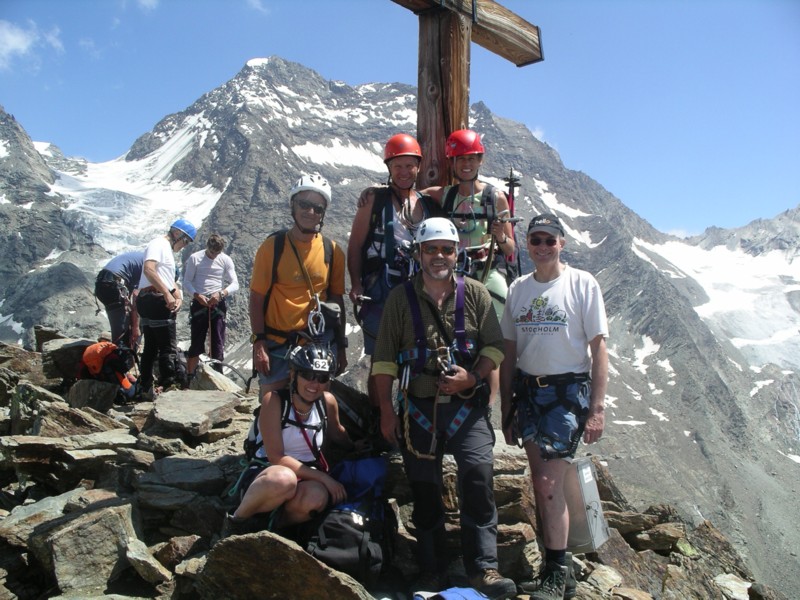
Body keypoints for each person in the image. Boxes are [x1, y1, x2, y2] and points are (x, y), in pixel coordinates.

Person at [371, 217, 516, 599]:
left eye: (446, 249)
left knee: (478, 477)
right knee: (425, 489)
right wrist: (386, 411)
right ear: (419, 253)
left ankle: (483, 569)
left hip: (467, 408)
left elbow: (494, 346)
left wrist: (474, 377)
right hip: (417, 409)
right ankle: (431, 570)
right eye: (431, 249)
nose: (439, 256)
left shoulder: (477, 294)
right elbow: (383, 360)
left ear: (457, 254)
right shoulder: (400, 299)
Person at [499, 213, 609, 600]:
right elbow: (509, 351)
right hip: (528, 393)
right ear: (527, 245)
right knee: (542, 481)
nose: (543, 246)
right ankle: (561, 572)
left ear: (562, 243)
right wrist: (506, 407)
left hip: (567, 394)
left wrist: (597, 409)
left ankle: (556, 574)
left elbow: (599, 349)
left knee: (547, 484)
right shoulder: (518, 289)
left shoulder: (582, 284)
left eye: (550, 240)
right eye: (535, 240)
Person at [347, 133, 442, 403]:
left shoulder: (427, 203)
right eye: (397, 165)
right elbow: (355, 245)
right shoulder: (374, 201)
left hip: (418, 291)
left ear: (419, 167)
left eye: (409, 165)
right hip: (381, 290)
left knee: (416, 354)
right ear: (389, 167)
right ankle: (379, 418)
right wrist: (356, 283)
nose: (404, 172)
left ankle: (410, 416)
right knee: (381, 359)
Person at [223, 341, 352, 536]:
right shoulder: (275, 401)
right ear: (293, 375)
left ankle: (270, 529)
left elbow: (337, 432)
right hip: (268, 472)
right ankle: (236, 521)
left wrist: (356, 446)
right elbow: (276, 457)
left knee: (317, 497)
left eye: (322, 377)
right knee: (284, 480)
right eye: (307, 375)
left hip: (305, 476)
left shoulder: (327, 402)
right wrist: (324, 478)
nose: (314, 383)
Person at [249, 174, 347, 398]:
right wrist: (259, 343)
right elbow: (257, 298)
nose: (310, 212)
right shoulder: (272, 247)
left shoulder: (332, 251)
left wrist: (341, 347)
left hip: (318, 342)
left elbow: (337, 301)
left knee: (315, 405)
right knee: (272, 403)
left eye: (318, 208)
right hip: (278, 344)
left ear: (323, 213)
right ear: (293, 205)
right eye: (304, 204)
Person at [136, 218, 196, 396]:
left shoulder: (165, 248)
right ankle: (169, 386)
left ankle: (146, 386)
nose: (185, 246)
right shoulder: (159, 244)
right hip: (156, 300)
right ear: (177, 233)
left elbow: (166, 278)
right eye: (185, 241)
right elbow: (149, 269)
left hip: (149, 299)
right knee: (167, 347)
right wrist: (167, 294)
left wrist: (177, 295)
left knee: (151, 347)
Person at [183, 234, 239, 376]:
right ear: (207, 247)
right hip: (199, 302)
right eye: (212, 252)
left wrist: (221, 293)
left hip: (217, 302)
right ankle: (190, 376)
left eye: (217, 253)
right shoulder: (195, 258)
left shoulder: (225, 259)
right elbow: (187, 282)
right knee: (196, 341)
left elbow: (235, 284)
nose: (214, 255)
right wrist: (196, 295)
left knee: (217, 342)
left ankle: (218, 375)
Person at [94, 249, 144, 351]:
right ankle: (124, 356)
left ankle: (119, 353)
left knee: (119, 328)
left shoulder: (141, 258)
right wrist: (136, 327)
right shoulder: (152, 266)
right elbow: (136, 296)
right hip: (114, 285)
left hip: (102, 284)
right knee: (124, 334)